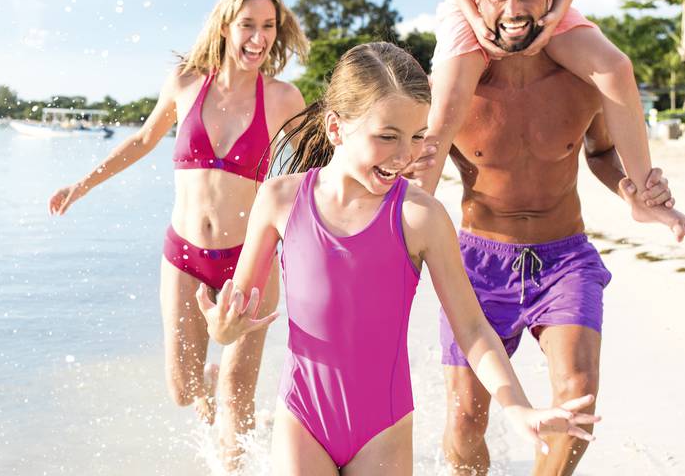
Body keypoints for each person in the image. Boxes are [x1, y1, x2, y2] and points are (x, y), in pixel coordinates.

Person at [198, 42, 600, 474]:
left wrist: (517, 407)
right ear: (336, 128)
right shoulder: (280, 200)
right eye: (387, 136)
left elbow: (471, 327)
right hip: (302, 416)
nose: (405, 155)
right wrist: (223, 328)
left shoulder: (419, 216)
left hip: (383, 429)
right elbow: (239, 305)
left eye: (416, 137)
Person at [429, 0, 685, 475]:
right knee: (465, 420)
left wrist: (632, 190)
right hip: (479, 264)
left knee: (577, 403)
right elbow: (416, 165)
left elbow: (599, 152)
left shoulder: (582, 80)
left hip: (564, 260)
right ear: (476, 5)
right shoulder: (459, 87)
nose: (513, 9)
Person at [47, 0, 309, 467]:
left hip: (248, 261)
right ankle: (203, 383)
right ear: (226, 25)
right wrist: (79, 186)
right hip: (185, 256)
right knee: (184, 390)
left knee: (237, 396)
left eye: (269, 26)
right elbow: (143, 141)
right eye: (248, 25)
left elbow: (319, 166)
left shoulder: (282, 98)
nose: (259, 38)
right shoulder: (187, 83)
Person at [422, 0, 662, 219]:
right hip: (475, 5)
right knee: (446, 106)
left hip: (539, 3)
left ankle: (644, 194)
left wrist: (552, 20)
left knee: (616, 68)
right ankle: (410, 214)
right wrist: (474, 18)